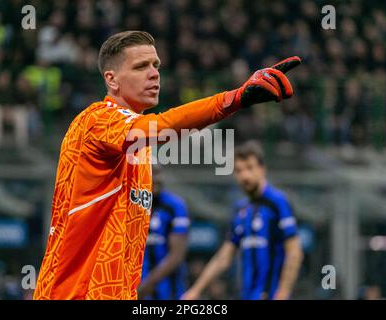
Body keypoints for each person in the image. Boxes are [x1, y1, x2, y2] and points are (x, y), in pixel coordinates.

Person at [33, 30, 301, 300]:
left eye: (156, 65)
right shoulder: (96, 121)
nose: (154, 73)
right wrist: (235, 99)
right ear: (111, 80)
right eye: (141, 67)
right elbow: (164, 125)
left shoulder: (140, 150)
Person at [182, 141, 303, 300]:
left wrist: (282, 293)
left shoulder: (278, 203)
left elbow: (294, 252)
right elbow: (224, 257)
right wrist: (195, 291)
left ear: (262, 169)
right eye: (239, 170)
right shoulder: (240, 209)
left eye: (249, 168)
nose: (245, 175)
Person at [138, 165, 190, 300]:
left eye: (158, 173)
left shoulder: (174, 205)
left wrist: (145, 286)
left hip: (169, 293)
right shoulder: (131, 205)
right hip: (136, 289)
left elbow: (177, 255)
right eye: (151, 174)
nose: (156, 178)